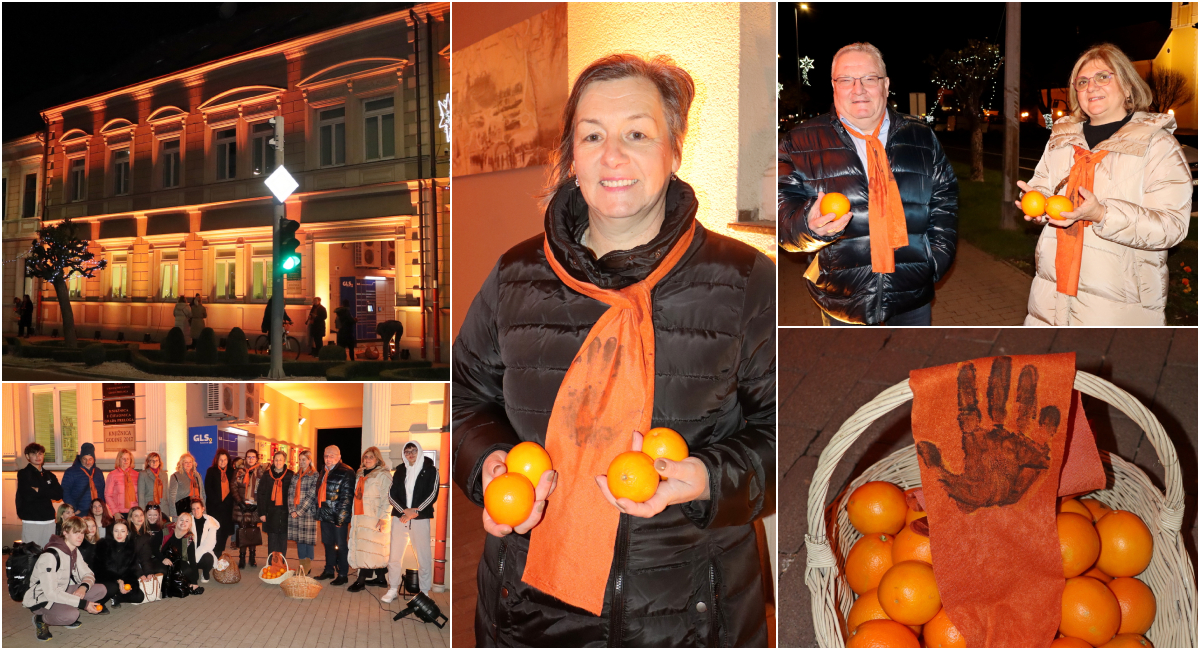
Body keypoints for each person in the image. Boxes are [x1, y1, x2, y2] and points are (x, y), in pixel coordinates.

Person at [453, 54, 775, 645]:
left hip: (687, 617)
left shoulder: (746, 282)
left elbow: (783, 428)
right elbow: (465, 398)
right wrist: (489, 464)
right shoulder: (514, 277)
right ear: (572, 158)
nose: (613, 156)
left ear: (674, 152)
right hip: (525, 609)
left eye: (637, 134)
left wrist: (707, 478)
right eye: (593, 136)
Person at [779, 42, 958, 325]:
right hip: (842, 302)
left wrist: (934, 261)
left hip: (913, 299)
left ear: (885, 85)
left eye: (869, 78)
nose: (858, 89)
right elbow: (782, 220)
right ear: (834, 86)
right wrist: (808, 228)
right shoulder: (798, 143)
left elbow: (944, 201)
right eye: (846, 80)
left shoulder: (921, 137)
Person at [1017, 43, 1192, 326]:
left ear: (1128, 86)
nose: (1091, 87)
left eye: (1103, 77)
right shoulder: (1061, 140)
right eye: (1082, 82)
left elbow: (1172, 226)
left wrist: (1102, 214)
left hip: (1119, 309)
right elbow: (1044, 188)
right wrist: (1039, 204)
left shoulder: (1159, 145)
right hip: (1050, 298)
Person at [23, 517, 110, 642]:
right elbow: (51, 593)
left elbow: (89, 574)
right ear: (65, 532)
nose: (80, 537)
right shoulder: (50, 556)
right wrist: (83, 604)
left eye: (82, 532)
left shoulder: (74, 550)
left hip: (62, 590)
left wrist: (83, 587)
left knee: (101, 589)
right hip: (43, 599)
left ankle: (63, 609)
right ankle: (41, 619)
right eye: (76, 532)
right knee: (72, 615)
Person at [383, 440, 437, 603]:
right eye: (407, 452)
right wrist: (404, 511)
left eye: (414, 450)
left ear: (419, 451)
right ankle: (393, 588)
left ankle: (424, 592)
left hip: (420, 518)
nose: (411, 454)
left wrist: (415, 512)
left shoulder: (431, 470)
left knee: (424, 557)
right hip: (400, 518)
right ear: (404, 454)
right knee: (394, 556)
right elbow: (391, 494)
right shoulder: (400, 470)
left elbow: (432, 494)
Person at [347, 446, 391, 593]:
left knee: (369, 549)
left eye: (371, 457)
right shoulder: (360, 473)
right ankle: (381, 578)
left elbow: (388, 498)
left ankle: (361, 581)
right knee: (372, 549)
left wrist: (384, 517)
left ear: (377, 459)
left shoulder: (383, 475)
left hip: (374, 517)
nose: (367, 460)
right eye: (365, 457)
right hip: (360, 517)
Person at [313, 445, 355, 585]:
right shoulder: (324, 471)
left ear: (339, 456)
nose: (328, 458)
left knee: (341, 546)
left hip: (338, 516)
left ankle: (343, 574)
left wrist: (341, 518)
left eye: (332, 456)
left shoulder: (347, 471)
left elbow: (347, 498)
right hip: (325, 514)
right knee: (328, 544)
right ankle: (329, 570)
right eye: (326, 456)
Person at [17, 442, 63, 548]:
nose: (38, 457)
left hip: (49, 518)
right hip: (31, 519)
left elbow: (58, 494)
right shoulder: (24, 473)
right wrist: (47, 492)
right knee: (31, 552)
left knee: (48, 551)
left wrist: (39, 490)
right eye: (34, 454)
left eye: (40, 454)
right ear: (27, 456)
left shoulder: (49, 475)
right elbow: (28, 495)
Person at [94, 521, 145, 609]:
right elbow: (100, 569)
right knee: (113, 588)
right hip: (107, 579)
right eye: (116, 531)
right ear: (112, 532)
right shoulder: (103, 545)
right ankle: (103, 599)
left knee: (139, 597)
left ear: (127, 533)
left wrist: (127, 583)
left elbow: (131, 570)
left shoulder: (131, 547)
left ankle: (116, 597)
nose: (119, 534)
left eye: (122, 531)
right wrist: (118, 580)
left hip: (123, 580)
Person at [255, 451, 294, 561]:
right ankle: (271, 563)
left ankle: (281, 563)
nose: (278, 462)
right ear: (273, 461)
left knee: (283, 540)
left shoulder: (291, 475)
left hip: (285, 513)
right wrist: (262, 513)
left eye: (280, 460)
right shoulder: (267, 475)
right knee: (272, 540)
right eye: (276, 460)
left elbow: (294, 494)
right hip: (270, 513)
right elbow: (261, 494)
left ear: (284, 461)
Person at [288, 450, 320, 575]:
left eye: (304, 459)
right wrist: (292, 509)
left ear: (309, 460)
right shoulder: (296, 475)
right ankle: (302, 563)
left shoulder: (315, 475)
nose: (301, 462)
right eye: (300, 459)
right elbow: (290, 493)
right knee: (299, 539)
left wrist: (300, 511)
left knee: (308, 539)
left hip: (307, 513)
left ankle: (307, 564)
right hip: (295, 511)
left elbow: (312, 495)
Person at [232, 450, 265, 568]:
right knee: (242, 531)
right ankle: (241, 558)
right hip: (241, 507)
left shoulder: (261, 471)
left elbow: (264, 489)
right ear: (245, 458)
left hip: (254, 507)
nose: (251, 459)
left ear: (257, 459)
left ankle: (252, 557)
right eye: (249, 457)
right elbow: (233, 487)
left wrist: (257, 504)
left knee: (253, 532)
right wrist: (240, 502)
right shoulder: (238, 471)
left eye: (253, 457)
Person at [203, 449, 236, 562]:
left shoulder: (232, 472)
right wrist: (218, 502)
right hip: (215, 507)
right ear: (216, 460)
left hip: (227, 508)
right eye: (220, 460)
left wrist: (226, 502)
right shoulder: (211, 471)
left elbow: (234, 488)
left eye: (225, 459)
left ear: (228, 460)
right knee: (215, 532)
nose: (223, 462)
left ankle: (219, 553)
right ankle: (214, 555)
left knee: (224, 533)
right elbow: (208, 489)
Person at [162, 512, 205, 596]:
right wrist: (162, 559)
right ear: (176, 521)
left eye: (187, 521)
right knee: (163, 571)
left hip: (178, 561)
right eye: (181, 520)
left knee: (188, 572)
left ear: (190, 525)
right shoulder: (166, 532)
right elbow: (155, 548)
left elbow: (192, 561)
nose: (183, 523)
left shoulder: (189, 540)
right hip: (164, 558)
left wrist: (194, 582)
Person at [62, 442, 106, 514]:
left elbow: (102, 491)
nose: (87, 462)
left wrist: (103, 507)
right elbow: (65, 492)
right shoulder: (71, 472)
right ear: (80, 458)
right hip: (80, 512)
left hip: (96, 512)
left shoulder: (98, 472)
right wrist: (74, 508)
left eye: (90, 459)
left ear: (94, 459)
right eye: (84, 459)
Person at [165, 453, 205, 520]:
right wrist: (174, 514)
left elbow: (202, 494)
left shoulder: (197, 476)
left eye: (190, 462)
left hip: (197, 511)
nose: (188, 464)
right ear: (182, 463)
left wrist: (204, 510)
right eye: (186, 462)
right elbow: (172, 497)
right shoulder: (175, 476)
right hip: (183, 511)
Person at [189, 499, 221, 583]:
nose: (196, 511)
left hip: (203, 552)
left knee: (209, 559)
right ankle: (193, 569)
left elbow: (210, 544)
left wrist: (195, 556)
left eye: (198, 508)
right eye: (193, 509)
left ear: (203, 509)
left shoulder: (210, 523)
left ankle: (205, 572)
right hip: (190, 552)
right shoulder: (188, 521)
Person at [104, 449, 139, 520]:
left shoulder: (137, 475)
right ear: (119, 460)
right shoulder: (112, 475)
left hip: (134, 512)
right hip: (119, 513)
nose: (126, 461)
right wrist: (115, 512)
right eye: (123, 459)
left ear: (131, 460)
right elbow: (108, 495)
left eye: (128, 459)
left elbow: (139, 494)